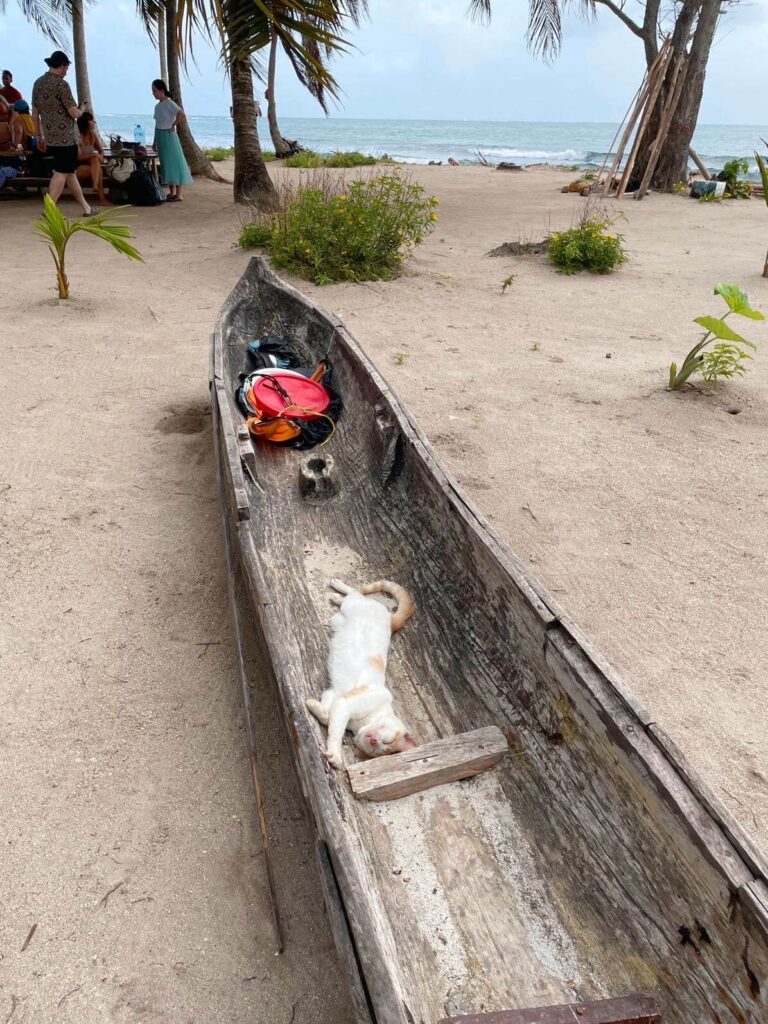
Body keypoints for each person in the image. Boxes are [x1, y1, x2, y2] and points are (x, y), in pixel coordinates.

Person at [31, 51, 99, 216]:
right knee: (62, 172)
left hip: (50, 137)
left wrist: (39, 136)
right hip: (66, 138)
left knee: (69, 173)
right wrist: (83, 108)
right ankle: (49, 209)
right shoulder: (62, 85)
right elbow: (74, 113)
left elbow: (35, 113)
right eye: (66, 66)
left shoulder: (38, 83)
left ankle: (86, 208)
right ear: (61, 66)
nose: (67, 70)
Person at [151, 78, 192, 202]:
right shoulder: (157, 106)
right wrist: (154, 141)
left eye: (155, 91)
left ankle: (179, 193)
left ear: (161, 90)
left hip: (169, 135)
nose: (153, 93)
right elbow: (157, 124)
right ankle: (172, 191)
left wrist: (174, 124)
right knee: (166, 164)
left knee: (175, 162)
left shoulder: (169, 103)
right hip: (160, 134)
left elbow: (182, 114)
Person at [76, 111, 109, 204]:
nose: (94, 122)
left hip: (91, 166)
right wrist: (95, 155)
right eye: (91, 120)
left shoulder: (92, 135)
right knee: (98, 169)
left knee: (96, 164)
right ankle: (102, 199)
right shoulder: (77, 137)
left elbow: (101, 151)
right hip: (78, 168)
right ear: (85, 122)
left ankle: (95, 186)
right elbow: (78, 157)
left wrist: (100, 156)